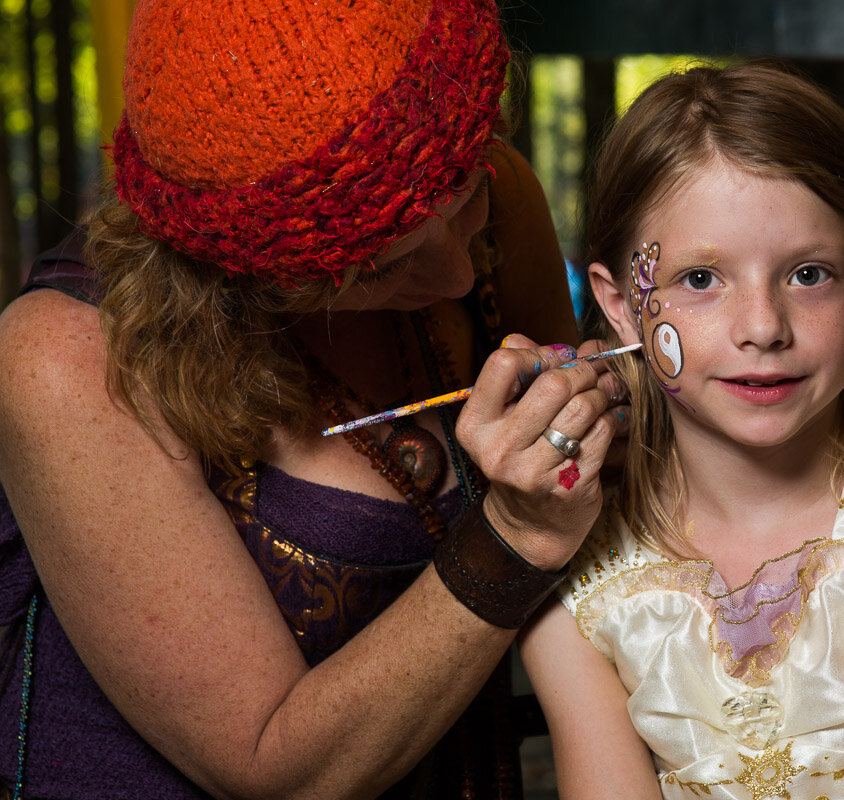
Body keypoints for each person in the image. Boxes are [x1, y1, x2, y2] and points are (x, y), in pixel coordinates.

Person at [0, 1, 625, 797]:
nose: (460, 280)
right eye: (375, 271)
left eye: (465, 194)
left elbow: (588, 534)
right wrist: (515, 535)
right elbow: (275, 772)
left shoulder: (492, 199)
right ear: (233, 275)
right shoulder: (66, 358)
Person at [519, 60, 844, 800]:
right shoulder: (571, 551)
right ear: (622, 305)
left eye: (810, 274)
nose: (763, 327)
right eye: (701, 279)